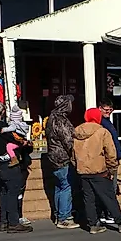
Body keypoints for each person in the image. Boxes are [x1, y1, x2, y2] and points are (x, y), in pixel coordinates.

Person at [73, 108, 121, 234]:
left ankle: (93, 224)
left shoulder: (77, 132)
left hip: (83, 171)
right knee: (109, 196)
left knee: (89, 199)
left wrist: (78, 166)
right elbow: (111, 153)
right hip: (99, 170)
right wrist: (112, 169)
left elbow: (73, 154)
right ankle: (120, 222)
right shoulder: (102, 132)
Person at [0, 101, 31, 234]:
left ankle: (3, 222)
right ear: (3, 112)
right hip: (9, 163)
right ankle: (13, 222)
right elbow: (16, 139)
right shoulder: (2, 126)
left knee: (4, 193)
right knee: (13, 192)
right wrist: (26, 143)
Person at [45, 95, 79, 229]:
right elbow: (68, 141)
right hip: (62, 158)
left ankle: (59, 214)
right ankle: (64, 217)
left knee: (59, 186)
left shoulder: (51, 118)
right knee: (66, 186)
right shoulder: (60, 120)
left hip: (53, 158)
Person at [4, 104, 32, 226]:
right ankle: (16, 216)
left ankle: (16, 216)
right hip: (18, 166)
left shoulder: (13, 129)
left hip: (21, 164)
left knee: (17, 192)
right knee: (17, 192)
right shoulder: (13, 132)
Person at [97, 98, 121, 225]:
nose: (109, 112)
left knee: (109, 188)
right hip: (108, 160)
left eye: (110, 109)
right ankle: (108, 213)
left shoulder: (107, 122)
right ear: (100, 109)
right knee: (109, 189)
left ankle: (105, 213)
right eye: (106, 109)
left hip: (113, 157)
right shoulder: (101, 123)